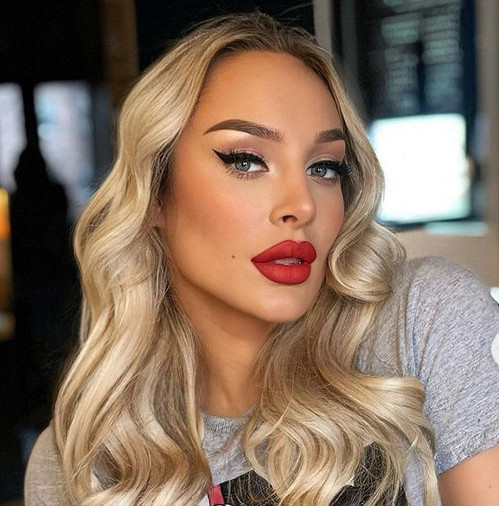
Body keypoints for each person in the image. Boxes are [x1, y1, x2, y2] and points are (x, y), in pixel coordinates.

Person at [24, 12, 499, 506]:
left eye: (324, 167)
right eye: (246, 161)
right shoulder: (81, 459)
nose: (302, 205)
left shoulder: (422, 322)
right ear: (155, 192)